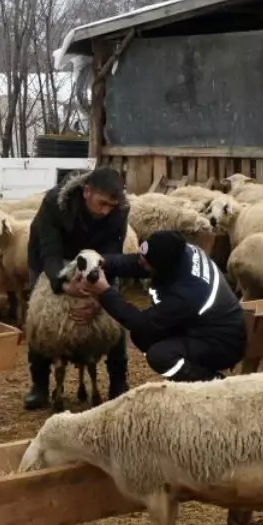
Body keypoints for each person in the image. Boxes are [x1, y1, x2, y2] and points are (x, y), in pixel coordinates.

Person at [24, 167, 130, 409]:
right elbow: (50, 252)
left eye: (111, 206)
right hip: (50, 254)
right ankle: (39, 383)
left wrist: (101, 298)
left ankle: (118, 380)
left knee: (114, 314)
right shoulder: (55, 203)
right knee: (40, 314)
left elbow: (113, 255)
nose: (106, 211)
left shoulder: (119, 211)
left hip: (96, 256)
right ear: (87, 191)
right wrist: (62, 284)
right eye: (102, 203)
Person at [81, 230, 246, 382]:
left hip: (222, 342)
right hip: (201, 325)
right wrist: (102, 261)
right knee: (142, 337)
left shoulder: (187, 294)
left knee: (160, 356)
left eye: (146, 263)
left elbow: (142, 323)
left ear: (162, 267)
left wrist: (104, 291)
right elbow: (138, 263)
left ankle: (209, 382)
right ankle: (185, 373)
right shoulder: (179, 252)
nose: (141, 263)